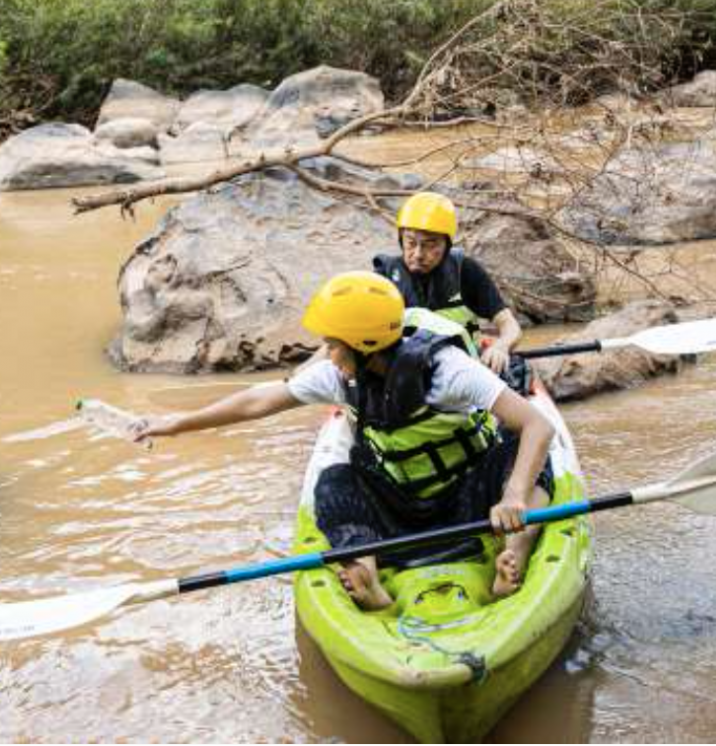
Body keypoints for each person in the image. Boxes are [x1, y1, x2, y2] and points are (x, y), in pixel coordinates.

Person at [128, 271, 555, 612]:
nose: (326, 353)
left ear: (364, 345)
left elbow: (537, 426)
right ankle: (366, 575)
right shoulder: (338, 374)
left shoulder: (448, 369)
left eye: (332, 344)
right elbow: (255, 403)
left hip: (474, 500)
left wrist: (513, 496)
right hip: (404, 502)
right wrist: (173, 424)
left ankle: (512, 548)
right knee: (334, 481)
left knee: (527, 458)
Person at [374, 191, 523, 376]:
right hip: (407, 379)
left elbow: (509, 325)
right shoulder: (384, 278)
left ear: (447, 244)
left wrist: (501, 347)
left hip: (465, 374)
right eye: (411, 242)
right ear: (401, 239)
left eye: (430, 244)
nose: (418, 254)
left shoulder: (465, 271)